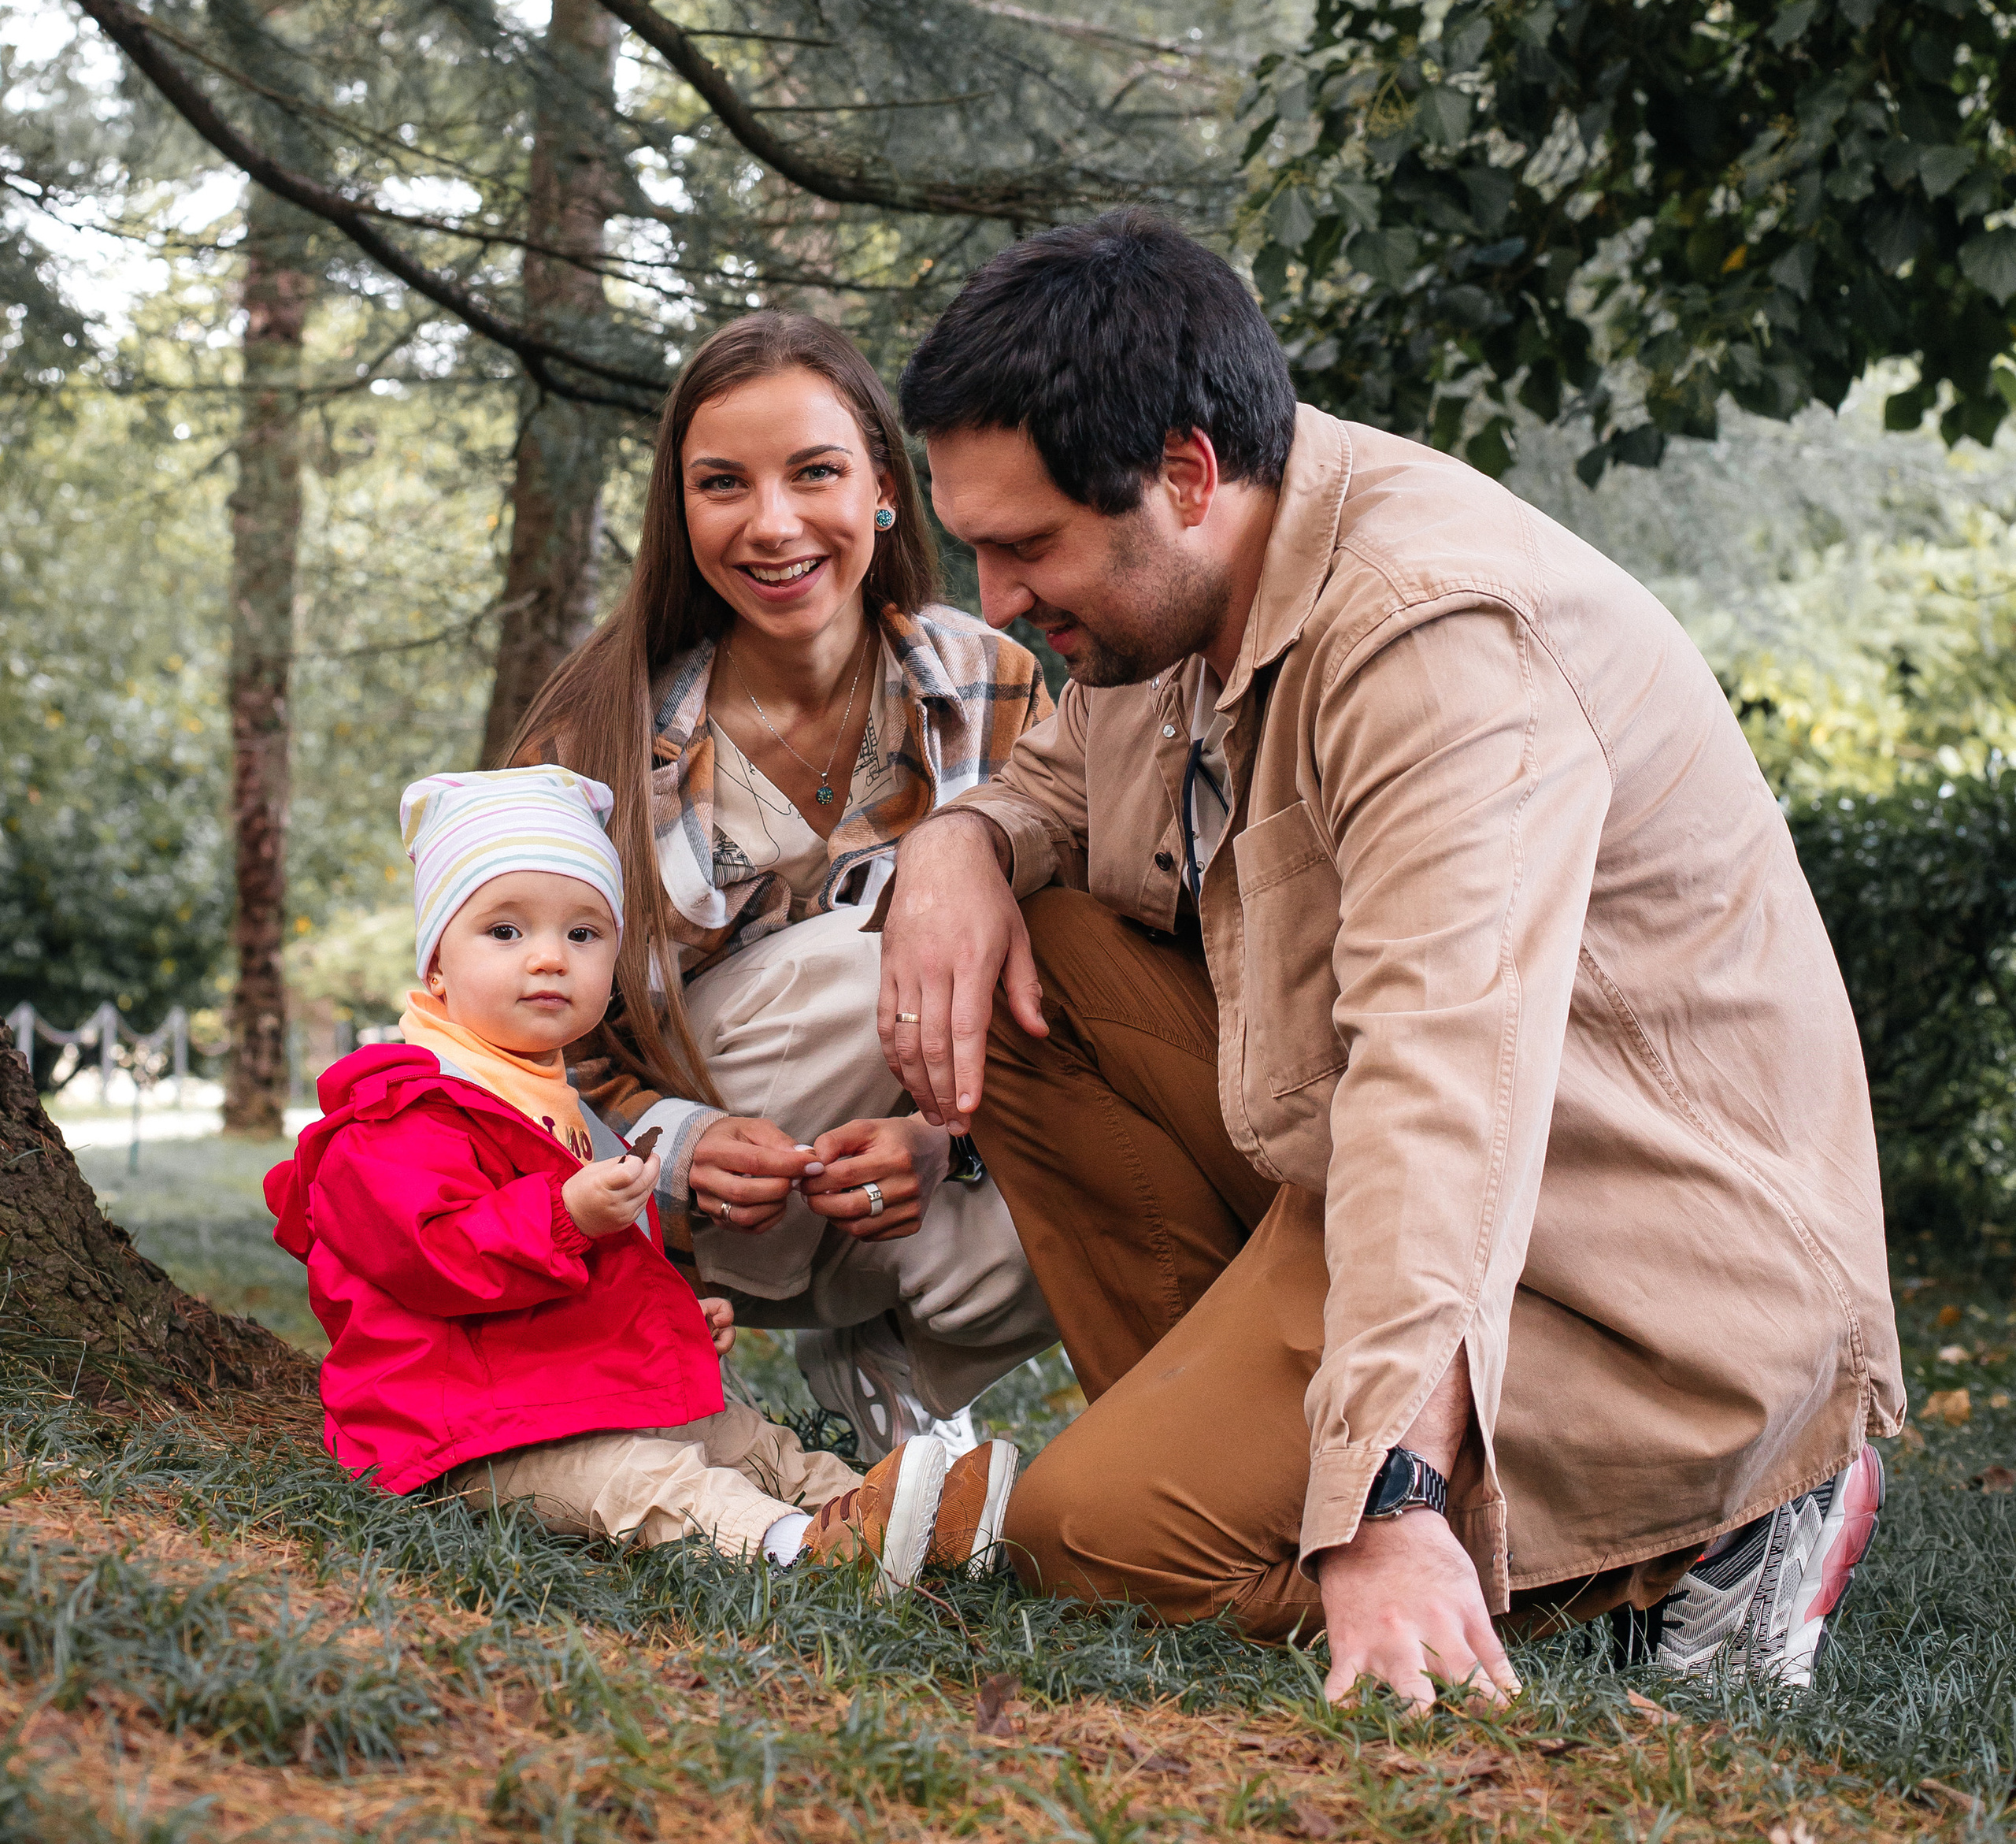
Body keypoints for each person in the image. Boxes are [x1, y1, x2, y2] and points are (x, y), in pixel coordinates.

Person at [879, 210, 1904, 1701]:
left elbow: (1449, 1082)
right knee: (1024, 948)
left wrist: (1388, 1503)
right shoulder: (1175, 587)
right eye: (974, 544)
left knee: (1080, 1542)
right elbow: (1058, 787)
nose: (996, 603)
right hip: (1352, 1168)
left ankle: (1724, 1526)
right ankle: (1256, 1461)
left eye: (1025, 547)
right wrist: (955, 846)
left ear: (1184, 475)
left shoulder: (1433, 638)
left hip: (1620, 1257)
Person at [513, 313, 1058, 1458]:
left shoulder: (993, 684)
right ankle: (672, 1356)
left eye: (815, 473)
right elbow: (507, 1035)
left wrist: (939, 1140)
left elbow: (1075, 959)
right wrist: (675, 1142)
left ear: (883, 489)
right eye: (723, 484)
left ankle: (896, 1363)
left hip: (913, 1177)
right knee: (884, 949)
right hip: (674, 1210)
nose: (773, 524)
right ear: (682, 512)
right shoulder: (592, 738)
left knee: (1125, 1161)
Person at [265, 764, 1019, 1586]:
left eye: (583, 935)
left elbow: (594, 1267)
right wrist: (566, 1217)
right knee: (649, 1482)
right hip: (463, 1427)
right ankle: (800, 1549)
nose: (549, 959)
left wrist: (668, 1311)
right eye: (505, 932)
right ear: (437, 965)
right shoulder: (397, 1111)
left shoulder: (562, 1102)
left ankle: (906, 1515)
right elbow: (430, 1254)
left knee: (744, 1436)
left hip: (561, 1386)